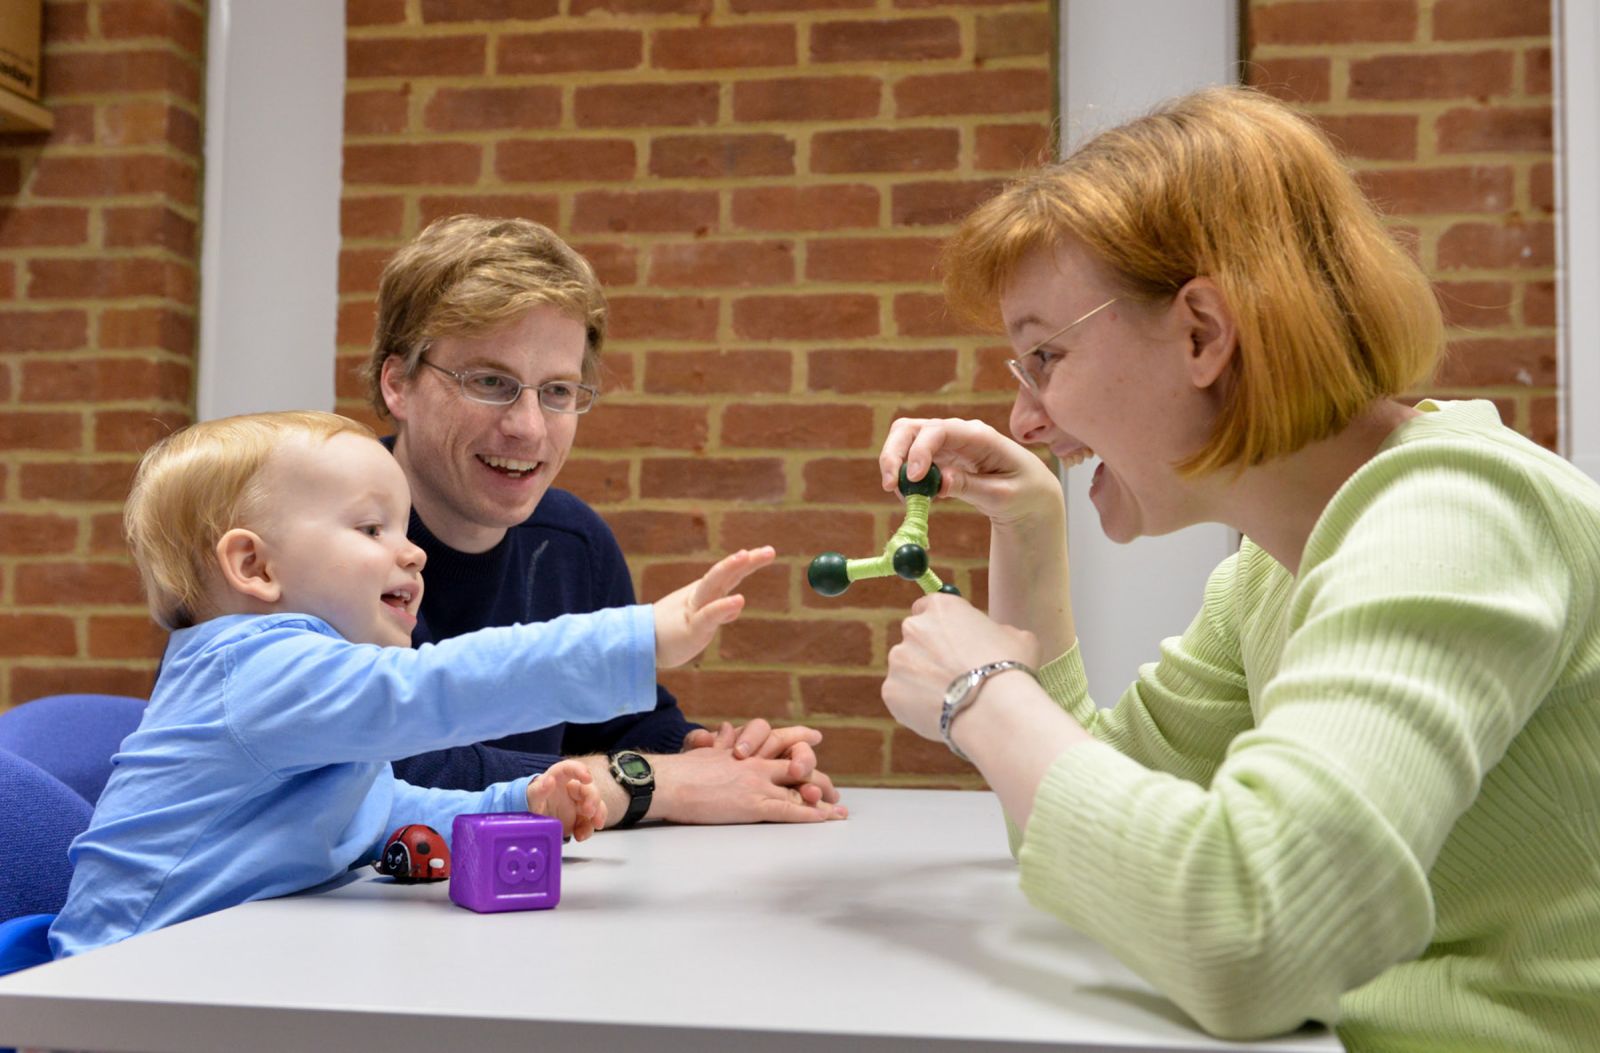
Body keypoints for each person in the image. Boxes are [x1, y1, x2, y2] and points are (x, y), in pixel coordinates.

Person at [874, 87, 1600, 1051]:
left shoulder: (1455, 519)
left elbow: (1259, 939)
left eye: (1044, 356)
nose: (1025, 420)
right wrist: (1031, 530)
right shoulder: (1275, 570)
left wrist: (982, 691)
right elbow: (1066, 816)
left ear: (1202, 334)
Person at [50, 411, 772, 957]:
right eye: (372, 529)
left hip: (211, 974)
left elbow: (381, 809)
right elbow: (438, 687)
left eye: (404, 528)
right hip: (117, 988)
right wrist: (639, 637)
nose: (413, 553)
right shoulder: (254, 670)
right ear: (255, 567)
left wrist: (516, 803)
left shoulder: (302, 698)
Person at [365, 215, 845, 826]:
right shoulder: (322, 543)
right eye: (489, 381)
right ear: (399, 384)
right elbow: (386, 770)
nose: (529, 428)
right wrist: (655, 783)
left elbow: (622, 727)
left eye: (558, 392)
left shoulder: (572, 540)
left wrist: (720, 758)